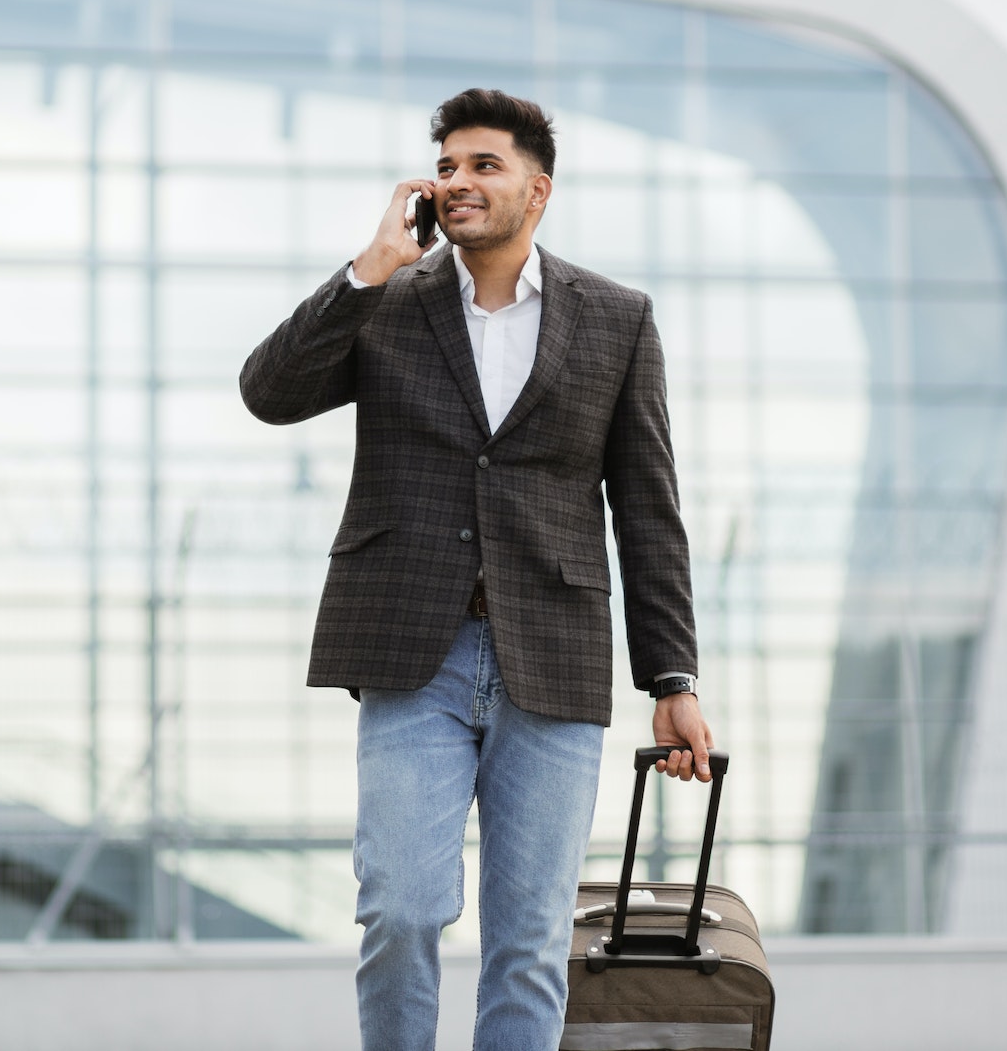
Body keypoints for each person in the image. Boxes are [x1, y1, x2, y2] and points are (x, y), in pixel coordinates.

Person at [240, 88, 713, 1051]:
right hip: (416, 651)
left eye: (482, 165)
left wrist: (672, 678)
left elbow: (649, 509)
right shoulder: (388, 303)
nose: (457, 182)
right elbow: (269, 393)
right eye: (445, 166)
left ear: (537, 190)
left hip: (556, 657)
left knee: (528, 944)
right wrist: (366, 270)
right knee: (402, 911)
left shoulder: (618, 318)